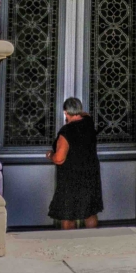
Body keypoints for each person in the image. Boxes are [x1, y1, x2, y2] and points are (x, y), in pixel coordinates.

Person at [46, 97, 103, 230]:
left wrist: (50, 155)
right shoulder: (89, 124)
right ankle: (93, 240)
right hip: (90, 174)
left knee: (68, 213)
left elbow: (59, 159)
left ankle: (70, 244)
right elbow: (86, 115)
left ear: (65, 113)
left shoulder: (67, 132)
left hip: (71, 178)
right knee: (90, 211)